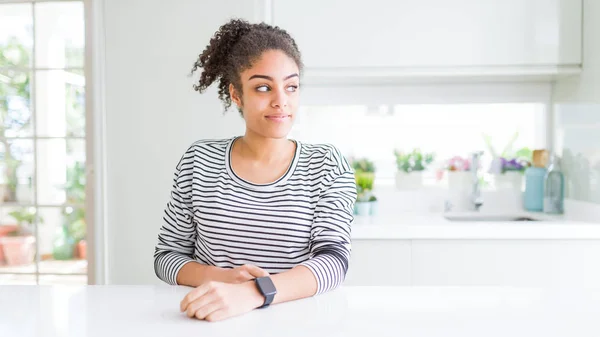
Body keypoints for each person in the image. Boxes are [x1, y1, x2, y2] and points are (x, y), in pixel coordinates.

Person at [153, 18, 357, 322]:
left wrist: (255, 292)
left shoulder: (327, 165)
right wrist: (223, 280)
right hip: (210, 320)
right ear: (237, 95)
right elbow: (167, 257)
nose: (281, 102)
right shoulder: (199, 161)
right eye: (263, 87)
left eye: (291, 87)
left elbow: (334, 262)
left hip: (297, 323)